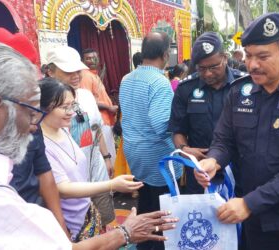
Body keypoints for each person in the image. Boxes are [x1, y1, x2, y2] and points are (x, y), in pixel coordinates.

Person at [0, 42, 178, 249]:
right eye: (30, 113)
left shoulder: (61, 129)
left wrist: (106, 159)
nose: (34, 126)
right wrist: (126, 232)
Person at [194, 12, 279, 250]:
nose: (252, 64)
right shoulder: (240, 92)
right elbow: (224, 140)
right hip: (255, 217)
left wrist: (250, 203)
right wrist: (214, 160)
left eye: (262, 56)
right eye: (249, 55)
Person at [0, 27, 69, 237]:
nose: (34, 124)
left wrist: (61, 228)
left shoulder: (25, 121)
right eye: (30, 110)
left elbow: (44, 172)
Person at [39, 77, 145, 241]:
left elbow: (94, 132)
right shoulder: (41, 145)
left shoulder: (64, 127)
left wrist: (106, 156)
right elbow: (62, 189)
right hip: (70, 223)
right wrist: (111, 184)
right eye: (64, 107)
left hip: (86, 209)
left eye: (72, 105)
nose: (71, 112)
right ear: (43, 108)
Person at [119, 31, 182, 250]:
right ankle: (155, 245)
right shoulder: (159, 82)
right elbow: (161, 125)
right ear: (166, 55)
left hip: (134, 153)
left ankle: (142, 240)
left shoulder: (126, 79)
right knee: (161, 209)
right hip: (157, 158)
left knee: (146, 201)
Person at [168, 32, 246, 195]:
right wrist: (184, 149)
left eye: (213, 67)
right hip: (199, 173)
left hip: (239, 171)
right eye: (202, 68)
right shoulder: (186, 89)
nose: (208, 73)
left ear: (224, 58)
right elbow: (177, 130)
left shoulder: (244, 86)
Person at [46, 46, 116, 227]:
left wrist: (106, 157)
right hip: (70, 180)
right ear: (50, 71)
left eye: (77, 70)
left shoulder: (86, 96)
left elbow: (96, 128)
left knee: (105, 219)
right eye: (68, 71)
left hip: (96, 170)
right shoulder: (45, 103)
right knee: (80, 228)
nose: (76, 76)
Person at [80, 48, 117, 166]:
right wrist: (109, 108)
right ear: (82, 60)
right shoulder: (85, 75)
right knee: (107, 157)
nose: (91, 60)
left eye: (94, 58)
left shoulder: (93, 75)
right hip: (99, 122)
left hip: (105, 121)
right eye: (88, 58)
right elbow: (87, 101)